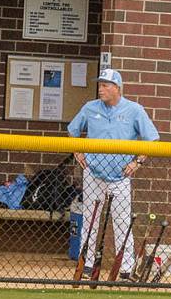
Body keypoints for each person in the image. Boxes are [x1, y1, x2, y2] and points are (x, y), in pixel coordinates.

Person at [67, 68, 158, 280]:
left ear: (117, 88)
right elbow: (72, 131)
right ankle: (87, 264)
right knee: (90, 220)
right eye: (100, 85)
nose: (101, 89)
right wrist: (78, 152)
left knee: (122, 222)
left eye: (105, 85)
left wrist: (137, 162)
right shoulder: (90, 108)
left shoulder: (134, 110)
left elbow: (152, 139)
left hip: (120, 176)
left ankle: (125, 268)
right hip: (94, 173)